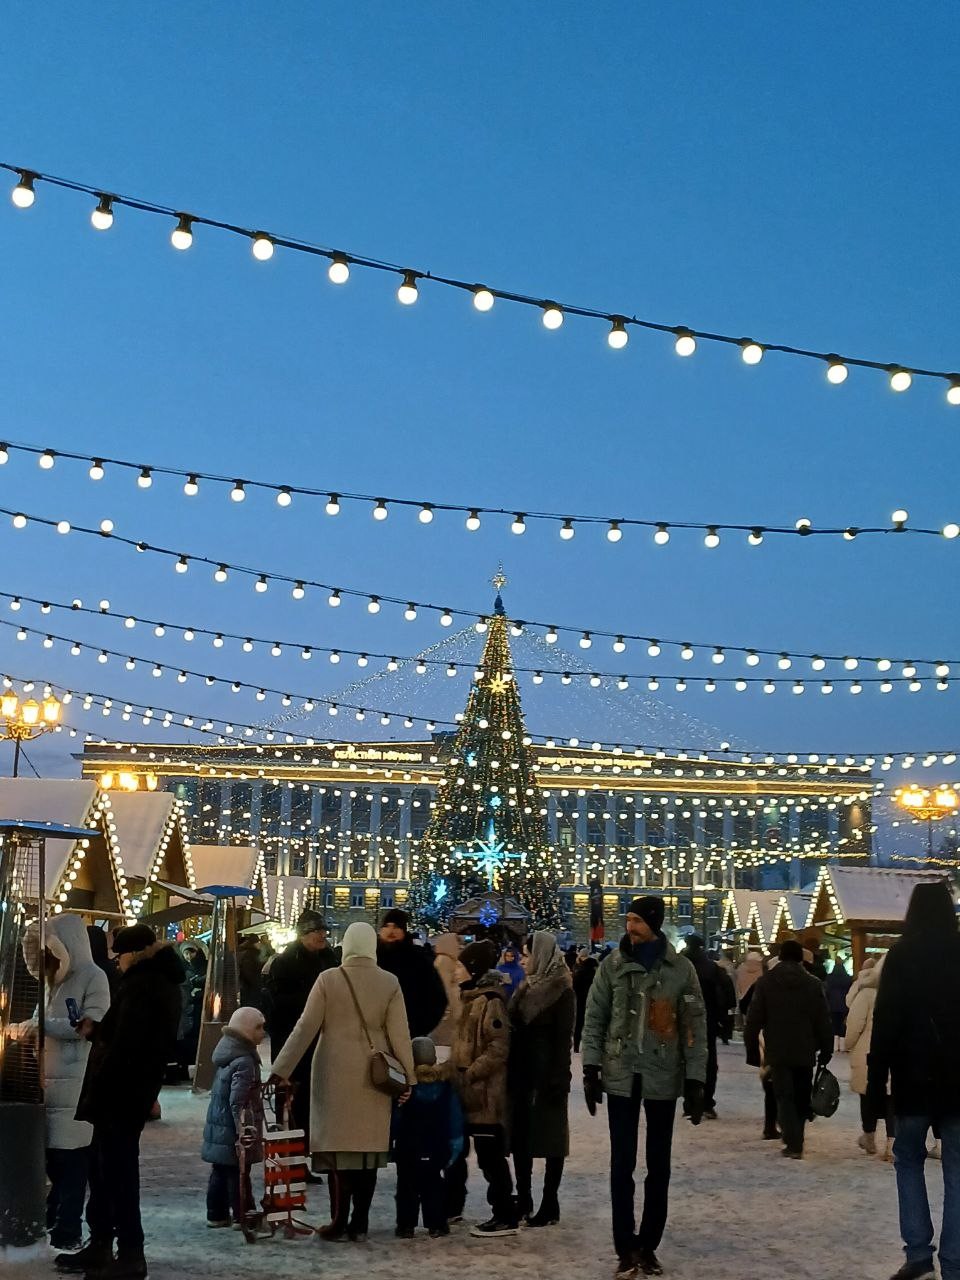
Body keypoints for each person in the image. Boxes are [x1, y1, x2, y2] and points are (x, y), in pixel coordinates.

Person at [581, 896, 707, 1279]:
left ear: (654, 923)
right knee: (622, 1164)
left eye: (636, 920)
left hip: (662, 1077)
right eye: (628, 920)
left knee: (659, 1166)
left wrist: (696, 1080)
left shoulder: (680, 970)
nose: (630, 926)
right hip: (621, 1076)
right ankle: (625, 1245)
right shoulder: (613, 966)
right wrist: (590, 1067)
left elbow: (694, 1027)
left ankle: (648, 1244)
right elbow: (595, 1017)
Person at [270, 921, 415, 1243]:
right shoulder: (389, 982)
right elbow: (400, 1034)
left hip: (332, 1072)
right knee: (367, 1153)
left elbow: (304, 1028)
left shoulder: (329, 979)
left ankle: (339, 1220)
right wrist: (408, 1078)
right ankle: (360, 1222)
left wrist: (281, 1069)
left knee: (338, 1152)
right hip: (375, 1076)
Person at [58, 923, 185, 1280]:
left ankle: (129, 1252)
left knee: (116, 1173)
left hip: (121, 1092)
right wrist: (96, 1031)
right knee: (104, 1170)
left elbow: (129, 1044)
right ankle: (103, 1243)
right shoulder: (155, 983)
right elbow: (124, 1032)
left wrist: (103, 1067)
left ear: (135, 953)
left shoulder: (145, 986)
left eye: (120, 955)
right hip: (127, 1091)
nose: (117, 962)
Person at [868, 881, 960, 1280]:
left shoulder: (900, 955)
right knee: (958, 1171)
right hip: (958, 1083)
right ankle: (955, 1262)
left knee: (908, 1160)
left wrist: (876, 1083)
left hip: (911, 1079)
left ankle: (918, 1252)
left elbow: (885, 1023)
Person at [18, 916, 111, 1253]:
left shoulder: (93, 977)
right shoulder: (51, 982)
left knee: (71, 1164)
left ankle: (67, 1229)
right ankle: (55, 1222)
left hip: (78, 1085)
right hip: (49, 1083)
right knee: (55, 1163)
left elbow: (90, 1026)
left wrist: (39, 1025)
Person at [449, 938, 517, 1238]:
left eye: (460, 966)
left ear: (473, 969)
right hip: (468, 1093)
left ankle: (504, 1214)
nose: (455, 972)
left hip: (485, 1095)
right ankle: (453, 1205)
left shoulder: (490, 1002)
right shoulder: (470, 998)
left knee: (491, 1158)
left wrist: (471, 1073)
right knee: (460, 1151)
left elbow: (498, 1047)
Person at [744, 938, 832, 1160]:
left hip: (778, 1048)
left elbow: (753, 1019)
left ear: (780, 957)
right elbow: (823, 1019)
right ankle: (797, 1138)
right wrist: (826, 1047)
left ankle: (792, 1142)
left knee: (783, 1095)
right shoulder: (813, 984)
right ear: (801, 959)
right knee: (802, 1096)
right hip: (805, 1049)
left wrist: (752, 1049)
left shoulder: (766, 982)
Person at [509, 932, 575, 1226]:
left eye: (527, 955)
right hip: (522, 1073)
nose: (523, 960)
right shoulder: (526, 986)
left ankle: (550, 1202)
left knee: (550, 1140)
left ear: (541, 956)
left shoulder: (562, 989)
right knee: (521, 1139)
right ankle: (523, 1198)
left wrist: (559, 1077)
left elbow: (564, 1038)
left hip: (548, 1074)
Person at [263, 910, 339, 1147]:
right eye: (316, 930)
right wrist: (313, 1002)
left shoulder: (330, 960)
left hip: (322, 1041)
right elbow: (276, 1004)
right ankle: (291, 1160)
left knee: (316, 1101)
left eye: (323, 930)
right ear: (303, 934)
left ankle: (308, 1152)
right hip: (291, 1040)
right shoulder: (285, 962)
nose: (322, 935)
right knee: (291, 1102)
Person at [392, 1036, 464, 1238]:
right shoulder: (445, 1088)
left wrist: (391, 1143)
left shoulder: (405, 1089)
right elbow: (455, 1119)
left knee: (406, 1187)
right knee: (434, 1186)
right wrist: (455, 1145)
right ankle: (437, 1224)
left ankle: (406, 1225)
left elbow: (396, 1120)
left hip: (408, 1148)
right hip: (437, 1147)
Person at [201, 1007, 265, 1227]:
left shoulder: (227, 1054)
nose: (263, 1032)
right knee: (239, 1173)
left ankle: (216, 1214)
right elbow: (238, 1100)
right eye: (258, 1027)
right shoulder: (245, 1061)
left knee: (220, 1170)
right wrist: (243, 1129)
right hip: (233, 1130)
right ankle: (243, 1213)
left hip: (219, 1126)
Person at [844, 955, 893, 1159]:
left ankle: (869, 1136)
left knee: (867, 1096)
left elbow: (855, 1024)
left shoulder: (866, 994)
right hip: (894, 1052)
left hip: (867, 1052)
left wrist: (848, 1045)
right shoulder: (903, 993)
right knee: (892, 1099)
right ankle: (891, 1143)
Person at [376, 908, 448, 1038]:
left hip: (407, 1034)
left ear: (404, 930)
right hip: (374, 1035)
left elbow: (437, 998)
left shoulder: (418, 960)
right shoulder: (372, 958)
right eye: (387, 926)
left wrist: (417, 1029)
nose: (391, 931)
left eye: (396, 926)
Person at [682, 935, 724, 1119]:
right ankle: (707, 1101)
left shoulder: (679, 967)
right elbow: (725, 993)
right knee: (707, 1061)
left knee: (683, 1059)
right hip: (708, 1020)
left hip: (682, 1021)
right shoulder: (712, 967)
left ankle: (689, 1102)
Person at [430, 932, 463, 1048]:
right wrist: (447, 1007)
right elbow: (444, 986)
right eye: (457, 944)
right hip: (449, 1008)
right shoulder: (444, 960)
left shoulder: (448, 960)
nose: (459, 947)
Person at [572, 949, 599, 1054]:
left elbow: (575, 986)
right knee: (591, 1024)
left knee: (579, 1023)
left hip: (580, 1000)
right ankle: (590, 1048)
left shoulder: (580, 970)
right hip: (593, 1000)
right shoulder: (596, 971)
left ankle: (576, 1047)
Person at [825, 954, 853, 1051]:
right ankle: (842, 1046)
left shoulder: (829, 978)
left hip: (832, 1005)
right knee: (843, 1025)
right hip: (844, 1005)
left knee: (834, 1025)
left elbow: (826, 992)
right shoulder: (848, 979)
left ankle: (834, 1046)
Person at [237, 935, 266, 1011]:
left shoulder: (245, 951)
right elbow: (249, 972)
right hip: (250, 988)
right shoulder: (250, 954)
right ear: (254, 943)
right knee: (252, 1009)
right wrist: (258, 983)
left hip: (246, 987)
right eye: (258, 942)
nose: (260, 944)